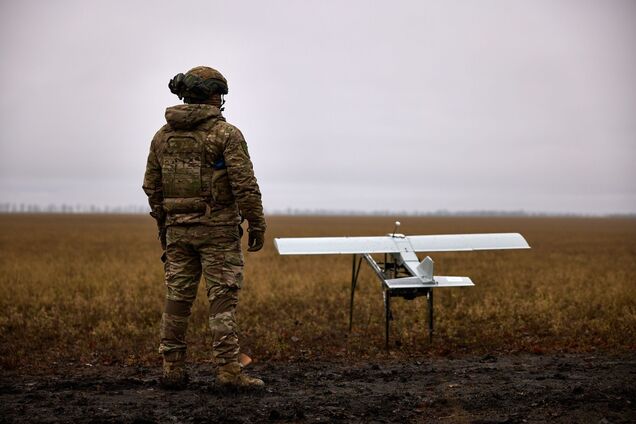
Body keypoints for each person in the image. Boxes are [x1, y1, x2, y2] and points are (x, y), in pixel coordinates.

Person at [142, 66, 266, 389]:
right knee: (222, 300)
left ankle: (172, 368)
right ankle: (228, 371)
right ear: (214, 96)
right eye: (220, 95)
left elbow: (152, 188)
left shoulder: (161, 137)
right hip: (219, 233)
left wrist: (164, 226)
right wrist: (257, 223)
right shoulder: (226, 135)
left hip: (178, 233)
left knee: (177, 299)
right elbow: (245, 185)